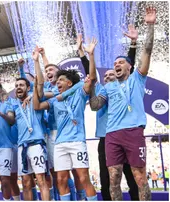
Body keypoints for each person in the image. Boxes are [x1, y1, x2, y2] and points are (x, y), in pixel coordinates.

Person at [89, 6, 156, 201]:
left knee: (140, 178)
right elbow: (94, 106)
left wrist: (149, 26)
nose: (116, 64)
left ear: (130, 66)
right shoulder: (108, 88)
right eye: (115, 63)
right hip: (112, 135)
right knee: (113, 180)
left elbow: (148, 50)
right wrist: (92, 85)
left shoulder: (137, 78)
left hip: (133, 131)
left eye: (120, 62)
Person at [76, 27, 140, 200]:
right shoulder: (101, 91)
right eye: (106, 76)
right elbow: (90, 74)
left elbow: (130, 66)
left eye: (112, 74)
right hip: (106, 140)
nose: (109, 77)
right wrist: (83, 53)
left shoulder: (124, 86)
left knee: (133, 178)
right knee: (107, 180)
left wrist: (133, 44)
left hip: (125, 135)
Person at [33, 37, 99, 201]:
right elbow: (37, 106)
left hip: (77, 142)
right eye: (58, 80)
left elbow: (91, 78)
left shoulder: (79, 94)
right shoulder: (56, 99)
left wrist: (89, 55)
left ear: (70, 83)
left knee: (83, 178)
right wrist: (35, 87)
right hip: (60, 144)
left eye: (61, 80)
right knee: (61, 179)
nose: (58, 82)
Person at [0, 81, 16, 201]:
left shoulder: (7, 105)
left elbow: (11, 120)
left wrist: (0, 114)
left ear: (0, 91)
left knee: (5, 180)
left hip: (5, 148)